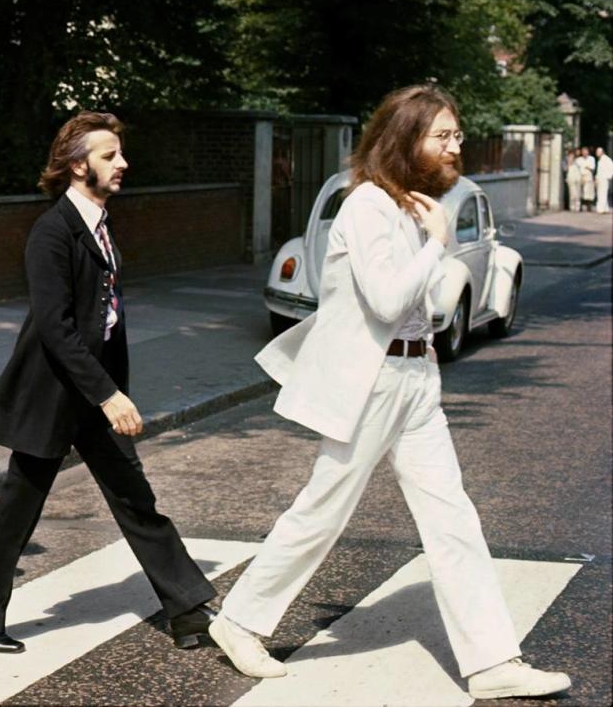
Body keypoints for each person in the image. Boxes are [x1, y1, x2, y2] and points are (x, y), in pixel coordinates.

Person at [208, 85, 570, 701]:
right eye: (444, 136)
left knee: (453, 516)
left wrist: (433, 260)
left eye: (457, 135)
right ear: (407, 138)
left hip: (415, 377)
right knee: (324, 509)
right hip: (371, 383)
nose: (456, 146)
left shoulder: (408, 206)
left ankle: (490, 661)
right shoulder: (368, 205)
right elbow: (385, 299)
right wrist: (437, 244)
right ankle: (239, 622)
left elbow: (416, 307)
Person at [0, 111, 218, 655]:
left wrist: (110, 388)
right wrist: (109, 394)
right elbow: (56, 328)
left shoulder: (99, 223)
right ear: (77, 166)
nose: (123, 163)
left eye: (119, 153)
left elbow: (105, 318)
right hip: (51, 395)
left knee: (135, 497)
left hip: (90, 395)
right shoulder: (52, 232)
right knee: (17, 508)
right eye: (108, 155)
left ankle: (189, 611)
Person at [578, 146, 597, 211]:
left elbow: (592, 168)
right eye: (583, 151)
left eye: (585, 151)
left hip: (589, 177)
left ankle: (589, 206)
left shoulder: (591, 158)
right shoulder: (579, 159)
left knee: (589, 192)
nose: (584, 153)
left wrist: (587, 167)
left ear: (588, 152)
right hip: (581, 176)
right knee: (581, 192)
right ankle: (581, 206)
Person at [596, 147, 612, 215]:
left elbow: (612, 168)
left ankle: (601, 209)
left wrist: (609, 177)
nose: (597, 153)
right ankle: (605, 208)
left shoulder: (607, 159)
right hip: (600, 179)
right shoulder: (600, 160)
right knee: (601, 193)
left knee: (602, 194)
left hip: (605, 179)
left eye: (598, 152)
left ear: (602, 152)